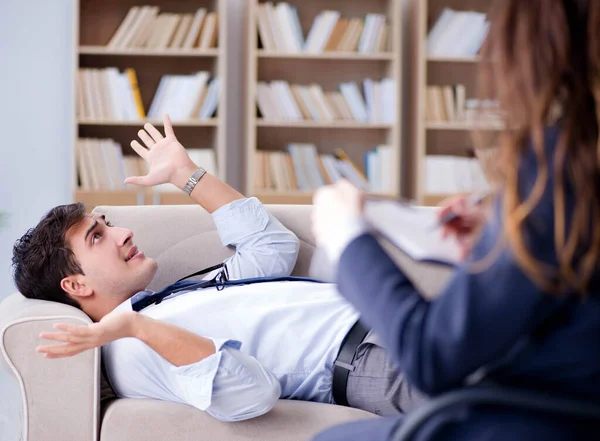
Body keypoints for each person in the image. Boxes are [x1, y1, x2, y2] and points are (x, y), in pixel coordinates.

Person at [12, 115, 426, 423]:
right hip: (376, 358)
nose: (123, 233)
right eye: (97, 237)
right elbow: (250, 393)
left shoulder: (168, 299)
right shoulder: (132, 349)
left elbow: (271, 247)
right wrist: (139, 329)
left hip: (392, 318)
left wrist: (185, 175)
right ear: (76, 284)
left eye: (108, 226)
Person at [310, 1, 600, 440]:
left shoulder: (556, 170)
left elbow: (431, 357)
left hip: (535, 420)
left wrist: (345, 236)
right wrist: (501, 232)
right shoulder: (577, 171)